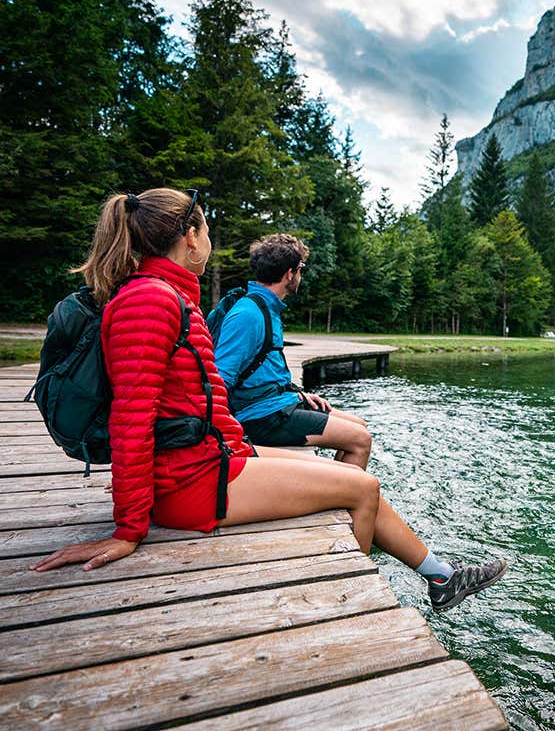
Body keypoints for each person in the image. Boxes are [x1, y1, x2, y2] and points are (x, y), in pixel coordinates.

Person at [31, 188, 507, 613]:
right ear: (190, 237)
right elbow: (131, 420)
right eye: (208, 231)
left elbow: (194, 398)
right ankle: (347, 609)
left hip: (208, 457)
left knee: (350, 476)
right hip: (187, 482)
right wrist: (128, 529)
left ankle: (442, 577)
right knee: (362, 488)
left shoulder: (167, 294)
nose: (211, 242)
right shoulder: (150, 301)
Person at [213, 234, 371, 469]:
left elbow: (263, 368)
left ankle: (343, 487)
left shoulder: (267, 306)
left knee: (360, 426)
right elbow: (219, 379)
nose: (300, 274)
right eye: (300, 268)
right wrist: (227, 437)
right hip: (261, 416)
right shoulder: (248, 314)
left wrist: (295, 392)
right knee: (360, 440)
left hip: (279, 403)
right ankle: (347, 492)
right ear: (289, 273)